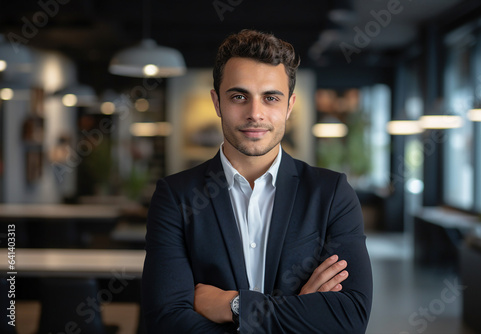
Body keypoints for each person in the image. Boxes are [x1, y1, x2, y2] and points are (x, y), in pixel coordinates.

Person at [142, 29, 372, 333]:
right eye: (239, 97)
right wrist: (298, 311)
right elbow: (166, 319)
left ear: (289, 106)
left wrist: (235, 306)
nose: (255, 113)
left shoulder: (331, 194)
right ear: (217, 102)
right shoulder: (175, 196)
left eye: (270, 98)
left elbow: (350, 316)